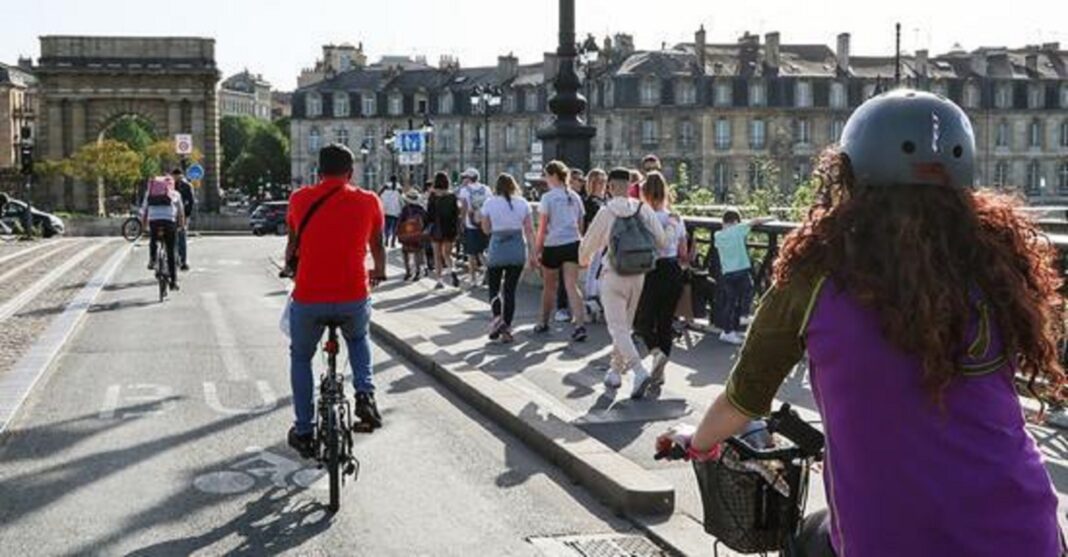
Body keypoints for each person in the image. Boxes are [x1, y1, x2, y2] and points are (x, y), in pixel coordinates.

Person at [659, 89, 1065, 556]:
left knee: (809, 540)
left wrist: (699, 441)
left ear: (849, 177)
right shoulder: (1001, 265)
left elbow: (744, 399)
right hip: (1025, 529)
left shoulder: (815, 272)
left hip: (888, 539)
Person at [285, 144, 387, 458]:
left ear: (318, 171)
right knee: (358, 337)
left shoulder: (300, 199)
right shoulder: (369, 200)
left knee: (301, 357)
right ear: (351, 172)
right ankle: (365, 395)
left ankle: (304, 430)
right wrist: (379, 272)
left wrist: (290, 268)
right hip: (353, 295)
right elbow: (379, 245)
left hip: (309, 296)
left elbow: (292, 244)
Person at [579, 168, 666, 399]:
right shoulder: (642, 208)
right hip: (638, 274)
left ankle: (638, 371)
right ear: (629, 186)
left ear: (609, 186)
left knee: (616, 328)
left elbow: (588, 244)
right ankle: (615, 371)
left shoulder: (606, 211)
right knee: (625, 327)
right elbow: (661, 240)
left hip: (613, 273)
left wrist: (584, 260)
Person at [634, 172, 689, 386]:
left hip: (650, 272)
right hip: (672, 270)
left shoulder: (642, 216)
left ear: (645, 193)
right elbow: (684, 251)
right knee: (665, 322)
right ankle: (659, 372)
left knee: (643, 321)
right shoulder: (675, 218)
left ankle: (656, 353)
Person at [534, 160, 587, 342]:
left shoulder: (548, 198)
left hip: (553, 245)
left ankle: (543, 321)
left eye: (547, 176)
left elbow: (542, 228)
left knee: (549, 287)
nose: (546, 179)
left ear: (553, 176)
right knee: (572, 286)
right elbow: (580, 225)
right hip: (572, 243)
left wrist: (536, 250)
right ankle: (579, 324)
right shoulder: (575, 196)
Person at [480, 173, 536, 344]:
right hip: (516, 248)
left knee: (494, 289)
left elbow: (486, 229)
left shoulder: (489, 203)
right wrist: (533, 253)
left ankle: (497, 319)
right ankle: (506, 328)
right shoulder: (523, 203)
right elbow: (529, 230)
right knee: (510, 291)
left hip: (497, 247)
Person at [713, 209, 773, 344]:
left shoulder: (718, 235)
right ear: (735, 221)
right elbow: (755, 221)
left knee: (730, 301)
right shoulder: (738, 229)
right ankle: (744, 315)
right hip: (741, 269)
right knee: (749, 290)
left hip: (727, 272)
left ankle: (728, 331)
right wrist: (771, 217)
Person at [553, 168, 588, 323]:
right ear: (570, 180)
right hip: (563, 241)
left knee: (570, 279)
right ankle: (563, 308)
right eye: (578, 180)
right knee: (565, 278)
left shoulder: (579, 198)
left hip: (573, 241)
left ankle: (574, 312)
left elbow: (581, 221)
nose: (581, 183)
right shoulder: (561, 197)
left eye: (582, 180)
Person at [141, 175, 185, 291]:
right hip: (169, 222)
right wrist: (181, 226)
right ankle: (173, 282)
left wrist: (144, 226)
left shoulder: (149, 193)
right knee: (171, 250)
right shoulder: (175, 194)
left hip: (154, 220)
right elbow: (180, 213)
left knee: (153, 239)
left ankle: (153, 259)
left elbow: (144, 210)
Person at [582, 169, 609, 320]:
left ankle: (596, 303)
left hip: (605, 243)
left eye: (604, 181)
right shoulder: (591, 202)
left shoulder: (604, 201)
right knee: (594, 272)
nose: (602, 185)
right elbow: (592, 225)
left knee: (601, 273)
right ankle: (592, 302)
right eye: (598, 181)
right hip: (596, 243)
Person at [457, 168, 491, 287]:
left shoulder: (465, 190)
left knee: (471, 253)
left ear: (469, 178)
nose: (463, 179)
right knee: (481, 251)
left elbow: (464, 208)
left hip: (471, 224)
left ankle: (473, 279)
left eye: (465, 177)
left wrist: (461, 222)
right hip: (484, 223)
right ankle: (488, 269)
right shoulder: (486, 189)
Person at [427, 171, 461, 290]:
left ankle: (439, 280)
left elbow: (429, 214)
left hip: (436, 228)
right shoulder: (452, 196)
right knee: (447, 254)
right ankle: (453, 270)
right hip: (449, 229)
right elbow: (456, 214)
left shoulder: (432, 196)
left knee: (437, 255)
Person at [397, 188, 429, 280]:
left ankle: (408, 272)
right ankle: (418, 271)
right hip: (418, 235)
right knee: (418, 252)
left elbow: (400, 222)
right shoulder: (421, 210)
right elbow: (426, 222)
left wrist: (399, 234)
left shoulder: (405, 210)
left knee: (405, 252)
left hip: (407, 235)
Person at [171, 168, 195, 271]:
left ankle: (182, 261)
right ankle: (179, 261)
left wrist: (187, 216)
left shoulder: (185, 186)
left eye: (177, 176)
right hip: (176, 214)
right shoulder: (174, 185)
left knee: (180, 237)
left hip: (179, 215)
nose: (176, 178)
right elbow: (191, 201)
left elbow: (191, 201)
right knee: (178, 238)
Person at [379, 176, 403, 248]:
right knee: (395, 227)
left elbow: (379, 195)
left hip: (386, 210)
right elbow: (401, 199)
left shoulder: (385, 187)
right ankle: (392, 242)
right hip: (396, 211)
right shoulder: (399, 188)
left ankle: (386, 240)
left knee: (386, 226)